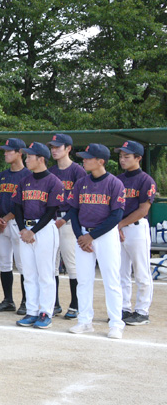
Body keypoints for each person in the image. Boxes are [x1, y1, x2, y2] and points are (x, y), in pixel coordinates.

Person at [67, 143, 126, 339]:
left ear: (100, 161)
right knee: (83, 280)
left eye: (88, 157)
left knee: (111, 280)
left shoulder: (114, 183)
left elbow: (116, 215)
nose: (83, 159)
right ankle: (84, 321)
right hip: (83, 234)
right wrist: (80, 236)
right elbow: (73, 211)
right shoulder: (81, 183)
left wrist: (91, 237)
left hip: (105, 235)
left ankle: (116, 323)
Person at [13, 142, 64, 329]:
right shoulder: (24, 181)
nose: (26, 159)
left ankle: (45, 312)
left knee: (45, 274)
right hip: (26, 230)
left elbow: (51, 211)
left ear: (40, 159)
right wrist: (22, 230)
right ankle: (32, 311)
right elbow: (17, 206)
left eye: (29, 156)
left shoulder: (53, 182)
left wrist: (32, 231)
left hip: (44, 230)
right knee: (29, 273)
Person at [115, 140, 156, 326]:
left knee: (141, 271)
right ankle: (124, 308)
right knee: (121, 271)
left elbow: (143, 210)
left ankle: (142, 311)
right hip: (119, 229)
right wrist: (117, 226)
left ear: (138, 158)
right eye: (121, 156)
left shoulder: (146, 180)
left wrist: (121, 225)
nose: (122, 159)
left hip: (137, 228)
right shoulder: (118, 179)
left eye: (127, 156)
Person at [48, 133, 86, 319]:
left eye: (58, 147)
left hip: (69, 220)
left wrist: (66, 219)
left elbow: (79, 202)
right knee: (52, 264)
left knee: (71, 263)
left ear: (68, 148)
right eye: (52, 147)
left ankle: (75, 303)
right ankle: (54, 303)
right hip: (51, 220)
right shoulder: (51, 172)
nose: (54, 150)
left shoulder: (78, 171)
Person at [0, 138, 31, 313]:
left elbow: (24, 204)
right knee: (4, 263)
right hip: (1, 223)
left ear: (19, 153)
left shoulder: (28, 175)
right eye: (5, 150)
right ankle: (8, 300)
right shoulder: (1, 176)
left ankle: (26, 301)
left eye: (9, 151)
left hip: (17, 223)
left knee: (23, 264)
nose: (6, 153)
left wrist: (6, 219)